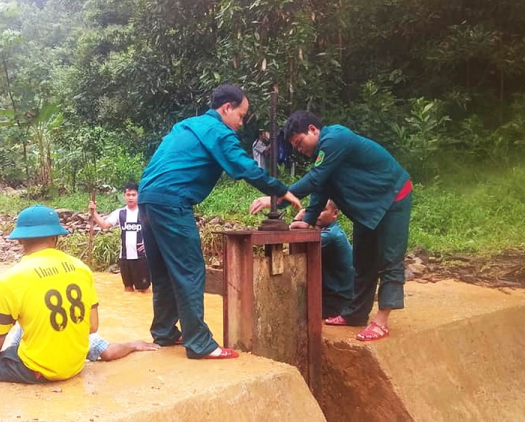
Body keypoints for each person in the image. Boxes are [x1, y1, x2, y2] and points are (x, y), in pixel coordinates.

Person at [138, 84, 302, 359]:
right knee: (190, 270)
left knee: (165, 270)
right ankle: (200, 344)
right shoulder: (218, 131)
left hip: (147, 199)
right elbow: (244, 167)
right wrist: (280, 189)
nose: (241, 123)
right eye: (241, 115)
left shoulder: (187, 125)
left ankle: (165, 331)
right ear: (226, 108)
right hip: (172, 201)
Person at [250, 111, 412, 341]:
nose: (299, 149)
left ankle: (382, 321)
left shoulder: (335, 138)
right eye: (295, 146)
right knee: (363, 261)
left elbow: (315, 179)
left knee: (390, 259)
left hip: (394, 197)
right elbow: (321, 186)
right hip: (368, 207)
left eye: (299, 142)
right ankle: (356, 314)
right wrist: (307, 219)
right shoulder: (324, 155)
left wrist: (277, 196)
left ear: (313, 130)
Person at [0, 205, 99, 386]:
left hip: (39, 370)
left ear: (20, 240)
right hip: (75, 365)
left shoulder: (11, 279)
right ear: (55, 237)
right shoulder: (82, 268)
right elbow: (92, 326)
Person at [89, 182, 150, 293]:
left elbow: (155, 230)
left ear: (138, 195)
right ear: (124, 196)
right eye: (128, 195)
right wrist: (93, 213)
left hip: (142, 257)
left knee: (144, 291)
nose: (130, 197)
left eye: (133, 195)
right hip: (125, 257)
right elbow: (104, 225)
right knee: (127, 289)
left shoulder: (145, 212)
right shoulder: (119, 213)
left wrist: (148, 244)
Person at [11, 327, 160, 362]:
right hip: (67, 368)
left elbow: (12, 351)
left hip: (34, 369)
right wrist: (132, 345)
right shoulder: (73, 319)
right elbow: (108, 352)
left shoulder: (28, 320)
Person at [313, 200, 354, 319]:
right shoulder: (332, 230)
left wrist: (297, 219)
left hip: (337, 302)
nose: (317, 213)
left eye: (322, 209)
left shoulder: (331, 235)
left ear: (335, 213)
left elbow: (300, 243)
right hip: (340, 297)